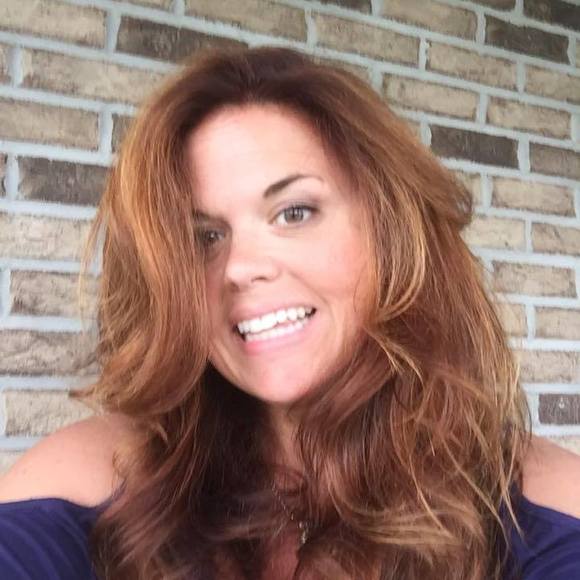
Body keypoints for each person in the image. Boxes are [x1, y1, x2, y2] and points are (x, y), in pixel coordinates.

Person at [0, 45, 578, 580]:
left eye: (294, 213)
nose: (239, 267)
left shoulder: (534, 508)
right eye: (203, 237)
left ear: (393, 231)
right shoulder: (100, 480)